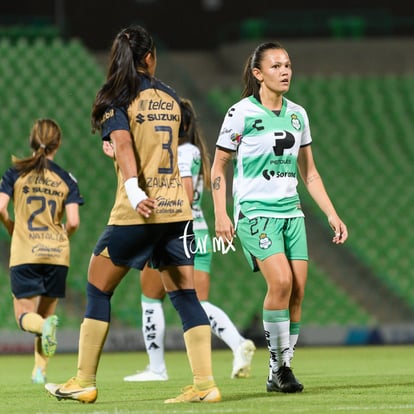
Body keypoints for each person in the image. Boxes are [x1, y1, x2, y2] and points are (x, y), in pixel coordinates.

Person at [44, 24, 221, 404]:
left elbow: (125, 142)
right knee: (185, 295)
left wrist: (133, 186)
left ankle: (84, 380)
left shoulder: (116, 97)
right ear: (151, 57)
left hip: (140, 211)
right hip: (179, 211)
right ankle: (205, 385)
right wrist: (120, 152)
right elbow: (149, 145)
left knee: (97, 286)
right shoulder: (172, 98)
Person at [210, 41, 348, 394]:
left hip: (291, 212)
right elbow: (220, 165)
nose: (285, 71)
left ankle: (280, 370)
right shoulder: (240, 113)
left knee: (298, 291)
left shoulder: (298, 114)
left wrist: (332, 213)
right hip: (255, 211)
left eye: (287, 64)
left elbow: (310, 173)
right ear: (258, 74)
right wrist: (221, 213)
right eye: (275, 66)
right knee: (282, 283)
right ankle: (279, 368)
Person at [119, 98, 255, 383]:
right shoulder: (195, 152)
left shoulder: (180, 152)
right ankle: (237, 343)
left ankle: (156, 368)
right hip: (199, 232)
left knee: (151, 298)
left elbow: (185, 192)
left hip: (176, 231)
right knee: (196, 303)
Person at [0, 118, 84, 384]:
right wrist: (61, 237)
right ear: (57, 144)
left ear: (32, 141)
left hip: (25, 251)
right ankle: (40, 372)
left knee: (25, 314)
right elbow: (73, 221)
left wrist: (12, 226)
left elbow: (0, 208)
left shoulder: (15, 173)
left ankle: (43, 331)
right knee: (46, 312)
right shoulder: (66, 179)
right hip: (57, 255)